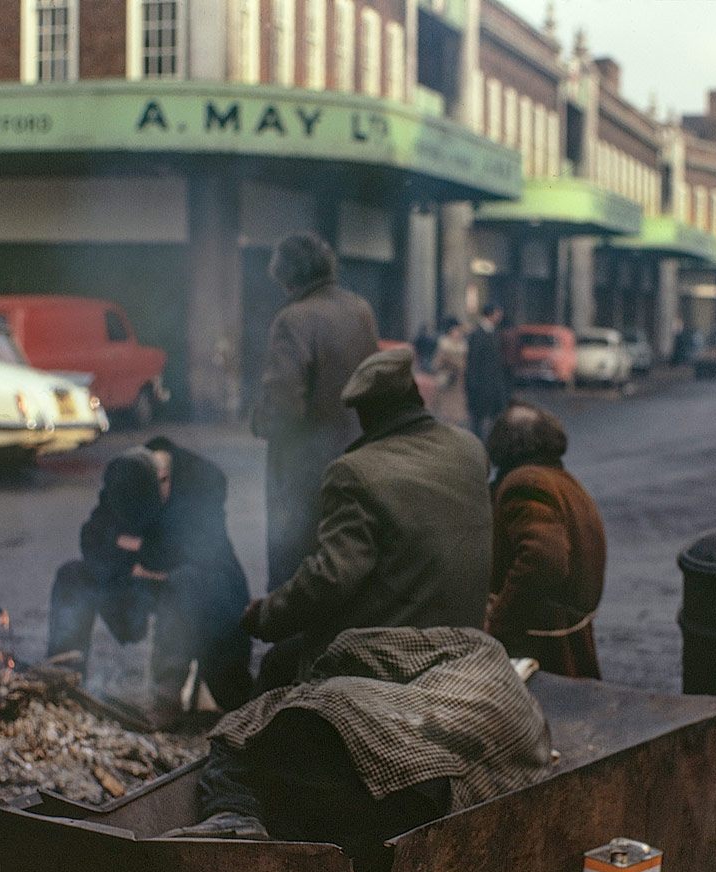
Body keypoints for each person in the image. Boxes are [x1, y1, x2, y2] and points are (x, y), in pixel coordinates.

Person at [164, 625, 553, 872]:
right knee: (333, 823)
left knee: (244, 727)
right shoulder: (534, 736)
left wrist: (314, 678)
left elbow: (354, 646)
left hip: (364, 744)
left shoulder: (477, 643)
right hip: (428, 801)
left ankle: (233, 814)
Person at [246, 347, 493, 690]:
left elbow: (330, 578)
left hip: (397, 650)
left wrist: (267, 615)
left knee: (278, 666)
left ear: (364, 415)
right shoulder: (471, 449)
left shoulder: (354, 472)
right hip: (466, 635)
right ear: (415, 396)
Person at [47, 439, 252, 727]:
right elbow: (92, 539)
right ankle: (61, 679)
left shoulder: (204, 480)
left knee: (185, 580)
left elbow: (195, 552)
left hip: (208, 594)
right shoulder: (127, 476)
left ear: (164, 479)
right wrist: (143, 559)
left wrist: (131, 547)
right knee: (72, 576)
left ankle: (166, 696)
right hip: (140, 582)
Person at [251, 233, 379, 592]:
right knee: (346, 563)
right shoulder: (360, 309)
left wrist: (259, 419)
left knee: (295, 571)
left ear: (286, 276)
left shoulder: (293, 319)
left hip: (305, 471)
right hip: (359, 458)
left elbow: (284, 406)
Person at [484, 402, 606, 679]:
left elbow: (543, 559)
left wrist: (499, 620)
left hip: (539, 649)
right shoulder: (563, 481)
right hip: (566, 640)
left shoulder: (525, 483)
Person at [465, 304, 511, 440]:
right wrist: (473, 385)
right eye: (498, 313)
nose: (500, 316)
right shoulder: (478, 334)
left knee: (495, 417)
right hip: (481, 385)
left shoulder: (494, 332)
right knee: (478, 421)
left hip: (494, 384)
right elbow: (473, 362)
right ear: (490, 314)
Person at [430, 316, 469, 427]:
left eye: (459, 331)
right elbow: (436, 364)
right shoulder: (444, 345)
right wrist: (450, 363)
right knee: (446, 413)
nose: (458, 333)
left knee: (457, 414)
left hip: (459, 383)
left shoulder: (463, 346)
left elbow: (465, 364)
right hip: (447, 381)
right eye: (455, 331)